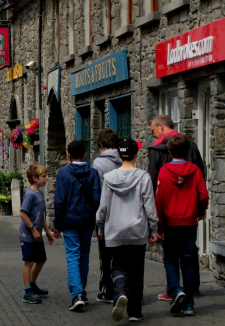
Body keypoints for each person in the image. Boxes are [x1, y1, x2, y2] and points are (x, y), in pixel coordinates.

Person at [96, 138, 158, 322]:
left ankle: (120, 290)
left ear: (118, 155)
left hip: (115, 229)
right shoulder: (143, 177)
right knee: (137, 270)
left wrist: (100, 225)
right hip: (137, 230)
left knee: (117, 265)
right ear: (136, 155)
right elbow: (149, 205)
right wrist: (153, 229)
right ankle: (135, 312)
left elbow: (103, 207)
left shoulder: (109, 178)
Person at [148, 114, 205, 299]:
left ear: (161, 127)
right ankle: (192, 288)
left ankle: (174, 289)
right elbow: (201, 180)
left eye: (153, 130)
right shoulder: (190, 146)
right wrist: (200, 209)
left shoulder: (157, 152)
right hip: (189, 213)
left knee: (170, 255)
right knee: (189, 252)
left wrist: (156, 220)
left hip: (169, 213)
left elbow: (153, 184)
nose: (153, 135)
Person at [156, 134, 209, 316]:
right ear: (187, 151)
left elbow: (159, 199)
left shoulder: (164, 171)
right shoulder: (194, 170)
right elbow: (203, 195)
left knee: (170, 259)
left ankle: (176, 290)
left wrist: (159, 225)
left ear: (170, 152)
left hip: (170, 222)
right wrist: (200, 211)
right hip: (189, 221)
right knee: (187, 261)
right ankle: (189, 305)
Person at [53, 140, 100, 312]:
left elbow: (59, 201)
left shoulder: (63, 174)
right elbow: (97, 199)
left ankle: (77, 294)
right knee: (84, 256)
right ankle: (82, 292)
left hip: (69, 220)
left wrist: (57, 224)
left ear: (68, 155)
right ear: (85, 154)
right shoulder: (93, 173)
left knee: (73, 256)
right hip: (87, 220)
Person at [91, 128, 121, 304]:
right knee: (121, 255)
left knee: (106, 255)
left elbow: (99, 194)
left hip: (107, 214)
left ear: (101, 145)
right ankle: (122, 287)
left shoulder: (99, 164)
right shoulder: (126, 159)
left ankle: (108, 290)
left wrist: (99, 221)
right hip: (125, 215)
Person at [19, 164, 54, 305]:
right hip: (28, 236)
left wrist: (47, 232)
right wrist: (33, 229)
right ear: (34, 178)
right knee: (29, 262)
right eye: (43, 176)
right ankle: (27, 291)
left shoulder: (40, 194)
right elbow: (23, 213)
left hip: (37, 235)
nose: (46, 179)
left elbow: (41, 216)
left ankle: (32, 284)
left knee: (41, 259)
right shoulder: (30, 194)